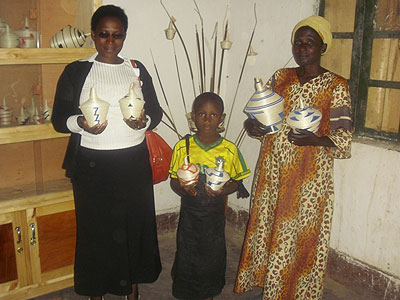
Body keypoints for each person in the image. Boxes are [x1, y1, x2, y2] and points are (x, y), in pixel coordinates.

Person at [234, 16, 352, 300]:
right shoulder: (281, 77)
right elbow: (262, 119)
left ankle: (293, 290)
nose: (302, 48)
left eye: (309, 43)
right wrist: (253, 126)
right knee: (267, 227)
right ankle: (269, 282)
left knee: (298, 236)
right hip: (273, 173)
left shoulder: (336, 86)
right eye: (298, 42)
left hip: (308, 180)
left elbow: (344, 139)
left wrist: (314, 139)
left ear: (322, 47)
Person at [51, 5, 162, 300]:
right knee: (96, 232)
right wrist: (81, 124)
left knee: (134, 227)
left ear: (124, 36)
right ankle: (95, 292)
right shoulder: (76, 71)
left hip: (133, 163)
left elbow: (155, 111)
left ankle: (132, 287)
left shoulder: (136, 69)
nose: (110, 42)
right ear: (93, 35)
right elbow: (59, 118)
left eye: (117, 35)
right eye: (104, 34)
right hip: (92, 166)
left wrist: (144, 121)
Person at [169, 92, 251, 300]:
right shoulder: (183, 147)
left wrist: (223, 190)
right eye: (201, 114)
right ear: (193, 116)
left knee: (211, 257)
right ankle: (186, 292)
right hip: (190, 217)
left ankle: (209, 294)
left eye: (213, 115)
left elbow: (237, 181)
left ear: (221, 118)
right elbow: (173, 180)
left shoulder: (229, 150)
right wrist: (183, 189)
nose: (207, 120)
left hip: (214, 218)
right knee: (187, 255)